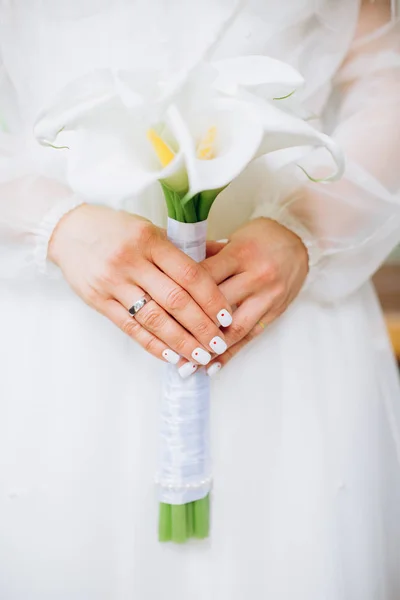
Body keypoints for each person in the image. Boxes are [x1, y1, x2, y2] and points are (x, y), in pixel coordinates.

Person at [0, 0, 399, 598]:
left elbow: (384, 74)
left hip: (282, 312)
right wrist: (51, 223)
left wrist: (308, 229)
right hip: (59, 324)